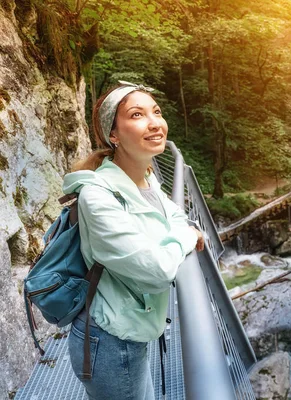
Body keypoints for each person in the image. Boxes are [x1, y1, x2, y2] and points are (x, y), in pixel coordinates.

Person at [62, 81, 204, 400]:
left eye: (156, 111)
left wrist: (182, 229)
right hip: (110, 342)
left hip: (131, 329)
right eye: (137, 114)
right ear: (114, 135)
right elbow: (156, 268)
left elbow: (175, 215)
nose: (154, 122)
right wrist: (186, 235)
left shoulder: (146, 178)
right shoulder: (97, 198)